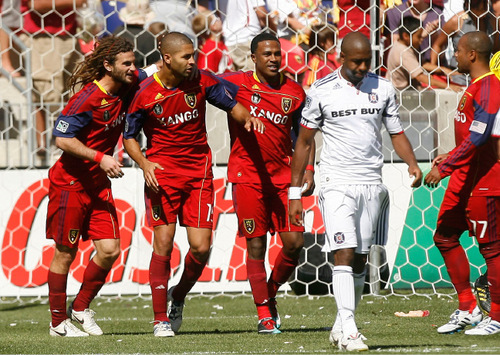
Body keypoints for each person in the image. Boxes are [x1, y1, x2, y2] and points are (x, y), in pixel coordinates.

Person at [123, 32, 265, 338]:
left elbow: (231, 104)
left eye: (193, 55)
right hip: (161, 175)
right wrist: (144, 163)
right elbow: (129, 137)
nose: (192, 61)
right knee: (163, 243)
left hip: (199, 173)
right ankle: (160, 319)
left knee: (201, 248)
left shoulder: (201, 80)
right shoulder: (144, 92)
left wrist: (247, 117)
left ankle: (178, 295)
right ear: (167, 58)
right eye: (186, 57)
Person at [289, 32, 422, 351]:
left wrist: (412, 164)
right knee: (343, 252)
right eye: (357, 62)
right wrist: (295, 192)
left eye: (367, 62)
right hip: (336, 181)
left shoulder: (384, 88)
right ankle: (350, 329)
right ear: (342, 58)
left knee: (361, 258)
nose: (363, 67)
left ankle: (339, 324)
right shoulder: (321, 91)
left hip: (371, 182)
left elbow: (397, 132)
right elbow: (305, 141)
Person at [46, 36, 152, 337]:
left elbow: (157, 68)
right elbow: (63, 139)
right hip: (70, 182)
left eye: (134, 62)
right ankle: (57, 323)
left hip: (97, 183)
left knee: (109, 250)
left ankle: (79, 307)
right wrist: (100, 157)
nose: (134, 68)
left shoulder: (127, 84)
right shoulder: (86, 99)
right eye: (127, 64)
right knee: (65, 251)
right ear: (108, 65)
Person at [219, 33, 314, 334]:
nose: (273, 59)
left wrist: (309, 167)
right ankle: (264, 314)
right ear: (254, 58)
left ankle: (268, 293)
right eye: (267, 54)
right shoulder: (236, 83)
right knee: (256, 244)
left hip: (285, 178)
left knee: (294, 243)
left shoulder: (295, 92)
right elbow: (204, 81)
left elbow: (302, 136)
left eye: (277, 53)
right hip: (247, 176)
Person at [424, 31, 500, 335]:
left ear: (472, 55)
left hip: (483, 181)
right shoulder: (474, 87)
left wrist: (447, 166)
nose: (454, 55)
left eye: (458, 50)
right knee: (444, 236)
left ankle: (496, 316)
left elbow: (482, 136)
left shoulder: (490, 88)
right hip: (463, 178)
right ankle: (467, 306)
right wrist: (451, 155)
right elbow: (473, 134)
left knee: (492, 250)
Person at [19, 0, 84, 160]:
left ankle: (65, 141)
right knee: (46, 96)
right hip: (43, 37)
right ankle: (48, 148)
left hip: (70, 34)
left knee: (76, 92)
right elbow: (35, 5)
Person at [430, 0, 499, 85]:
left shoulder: (492, 21)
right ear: (468, 5)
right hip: (460, 77)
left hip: (485, 77)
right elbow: (438, 44)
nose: (482, 11)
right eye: (478, 7)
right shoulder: (457, 20)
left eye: (485, 6)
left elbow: (496, 49)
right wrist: (434, 69)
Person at [386, 16, 462, 91]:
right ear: (406, 36)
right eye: (419, 37)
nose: (421, 40)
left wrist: (445, 70)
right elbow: (420, 77)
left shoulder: (404, 45)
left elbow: (422, 64)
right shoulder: (403, 52)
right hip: (401, 92)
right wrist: (448, 86)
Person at [218, 0, 276, 71]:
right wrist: (274, 32)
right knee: (253, 78)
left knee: (238, 79)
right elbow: (262, 14)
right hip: (248, 39)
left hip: (229, 41)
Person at [384, 0, 442, 65]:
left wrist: (434, 35)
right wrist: (421, 36)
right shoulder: (394, 13)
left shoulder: (437, 13)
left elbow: (442, 53)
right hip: (406, 65)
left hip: (433, 65)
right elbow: (396, 48)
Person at [302, 24, 340, 90]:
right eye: (333, 40)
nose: (336, 43)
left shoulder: (330, 61)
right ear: (321, 42)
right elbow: (307, 87)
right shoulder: (315, 62)